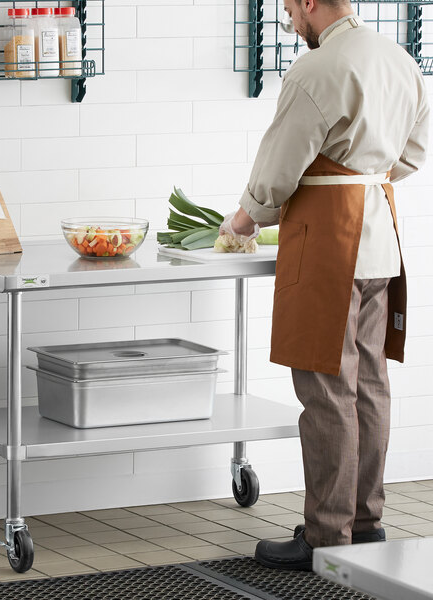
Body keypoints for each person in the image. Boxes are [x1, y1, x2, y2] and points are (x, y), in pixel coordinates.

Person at [220, 0, 430, 571]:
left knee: (327, 388)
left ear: (311, 3)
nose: (290, 19)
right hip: (380, 236)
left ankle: (325, 536)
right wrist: (363, 172)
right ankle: (365, 524)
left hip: (330, 243)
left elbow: (280, 165)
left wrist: (243, 219)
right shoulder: (399, 60)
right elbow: (410, 158)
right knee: (369, 384)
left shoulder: (317, 69)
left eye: (290, 8)